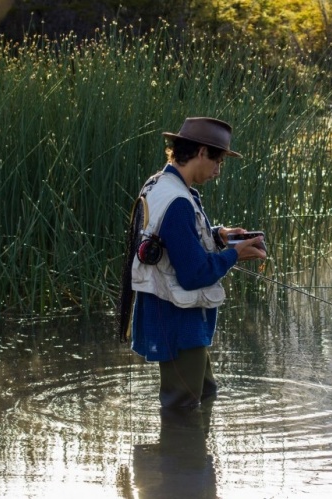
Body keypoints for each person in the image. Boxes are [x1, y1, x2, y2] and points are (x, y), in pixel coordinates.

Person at [118, 117, 266, 410]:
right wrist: (235, 255)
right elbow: (193, 274)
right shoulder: (178, 202)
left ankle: (195, 454)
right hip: (176, 318)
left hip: (174, 314)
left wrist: (219, 237)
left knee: (206, 392)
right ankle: (177, 455)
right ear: (201, 152)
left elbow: (173, 242)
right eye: (217, 161)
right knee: (182, 407)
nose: (218, 171)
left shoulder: (159, 183)